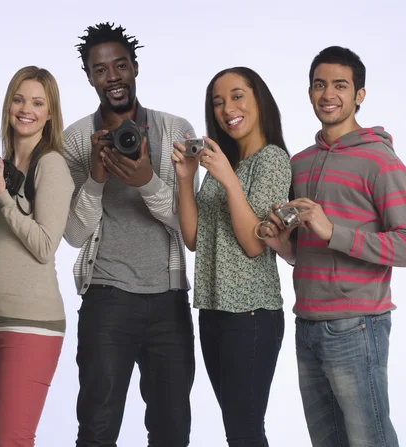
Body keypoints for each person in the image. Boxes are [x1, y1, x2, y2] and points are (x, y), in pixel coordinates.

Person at [261, 46, 406, 447]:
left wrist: (331, 228)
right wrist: (285, 246)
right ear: (309, 92)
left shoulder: (381, 161)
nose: (328, 94)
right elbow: (308, 252)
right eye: (319, 85)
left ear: (360, 95)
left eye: (340, 85)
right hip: (307, 324)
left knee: (370, 441)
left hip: (357, 326)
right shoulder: (298, 163)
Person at [63, 22, 197, 447]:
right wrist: (97, 179)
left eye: (120, 66)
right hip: (107, 298)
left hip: (169, 300)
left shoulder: (176, 129)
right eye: (101, 70)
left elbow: (187, 223)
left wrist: (147, 181)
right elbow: (74, 232)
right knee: (98, 430)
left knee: (172, 430)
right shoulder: (76, 140)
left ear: (135, 67)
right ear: (89, 77)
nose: (113, 77)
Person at [172, 67, 291, 446]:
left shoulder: (271, 160)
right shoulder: (223, 162)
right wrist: (186, 179)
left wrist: (228, 180)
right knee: (238, 431)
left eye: (237, 96)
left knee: (244, 432)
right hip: (214, 311)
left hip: (252, 314)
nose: (227, 109)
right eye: (218, 102)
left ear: (259, 100)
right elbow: (193, 239)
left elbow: (255, 243)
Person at [0, 65, 74, 447]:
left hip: (31, 324)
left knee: (13, 440)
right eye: (18, 99)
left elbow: (45, 246)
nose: (25, 109)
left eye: (36, 102)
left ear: (50, 113)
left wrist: (3, 196)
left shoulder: (52, 165)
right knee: (2, 439)